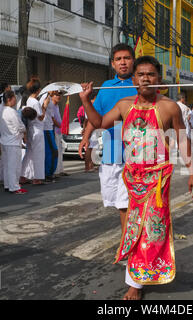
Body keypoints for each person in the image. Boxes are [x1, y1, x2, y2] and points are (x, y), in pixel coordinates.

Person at [80, 55, 193, 301]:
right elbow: (100, 122)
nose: (146, 78)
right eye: (141, 74)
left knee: (152, 230)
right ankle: (137, 279)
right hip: (132, 178)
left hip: (158, 180)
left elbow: (183, 141)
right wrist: (85, 100)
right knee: (135, 229)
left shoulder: (169, 107)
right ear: (134, 79)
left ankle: (140, 278)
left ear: (159, 79)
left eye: (151, 74)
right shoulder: (124, 105)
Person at [78, 43, 137, 237]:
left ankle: (128, 242)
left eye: (126, 58)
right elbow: (96, 118)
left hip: (137, 151)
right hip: (111, 150)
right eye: (118, 59)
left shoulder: (141, 85)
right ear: (113, 64)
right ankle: (130, 239)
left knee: (126, 203)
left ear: (133, 61)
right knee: (115, 200)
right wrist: (85, 138)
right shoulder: (106, 86)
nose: (123, 62)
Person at [0, 90, 27, 194]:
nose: (16, 100)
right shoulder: (11, 112)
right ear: (9, 99)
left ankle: (8, 184)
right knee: (14, 166)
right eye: (14, 98)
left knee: (7, 165)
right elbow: (19, 126)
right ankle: (14, 186)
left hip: (5, 141)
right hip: (13, 141)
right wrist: (24, 130)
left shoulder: (2, 110)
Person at [20, 78, 46, 185]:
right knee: (38, 154)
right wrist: (45, 106)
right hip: (37, 129)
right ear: (38, 90)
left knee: (29, 153)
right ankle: (37, 177)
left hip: (31, 129)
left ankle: (23, 175)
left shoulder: (29, 100)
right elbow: (40, 117)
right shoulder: (35, 102)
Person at [40, 91, 61, 181]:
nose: (57, 93)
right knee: (52, 151)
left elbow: (51, 116)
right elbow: (41, 110)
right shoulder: (45, 98)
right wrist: (45, 105)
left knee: (53, 151)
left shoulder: (51, 102)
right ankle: (47, 173)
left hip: (50, 128)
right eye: (55, 91)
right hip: (46, 128)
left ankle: (49, 172)